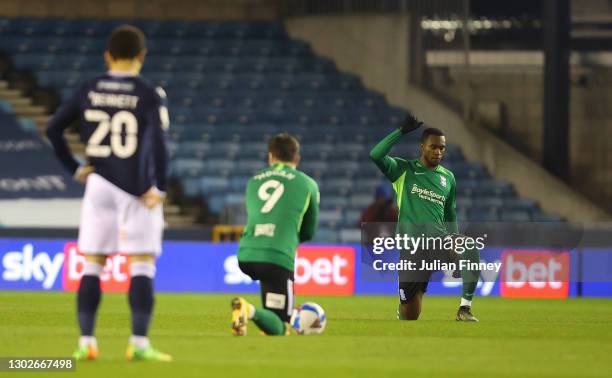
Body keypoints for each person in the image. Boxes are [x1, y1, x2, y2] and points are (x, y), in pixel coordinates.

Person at [46, 25, 172, 360]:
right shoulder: (148, 93)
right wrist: (159, 186)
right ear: (141, 56)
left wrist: (74, 167)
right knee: (141, 264)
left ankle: (86, 343)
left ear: (107, 56)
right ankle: (139, 344)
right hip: (136, 188)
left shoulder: (88, 88)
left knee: (93, 264)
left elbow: (53, 128)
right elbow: (160, 145)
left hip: (99, 184)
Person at [369, 115, 480, 322]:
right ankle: (404, 307)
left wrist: (454, 238)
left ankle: (465, 309)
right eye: (433, 147)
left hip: (439, 242)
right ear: (422, 147)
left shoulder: (448, 178)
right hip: (412, 246)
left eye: (442, 148)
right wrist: (400, 131)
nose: (438, 152)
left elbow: (450, 213)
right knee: (411, 315)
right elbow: (375, 155)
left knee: (469, 245)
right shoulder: (404, 170)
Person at [231, 133, 319, 336]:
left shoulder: (254, 181)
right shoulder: (308, 184)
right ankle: (248, 309)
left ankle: (253, 318)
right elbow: (308, 231)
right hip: (277, 257)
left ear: (270, 157)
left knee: (272, 316)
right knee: (284, 326)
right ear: (297, 158)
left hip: (246, 254)